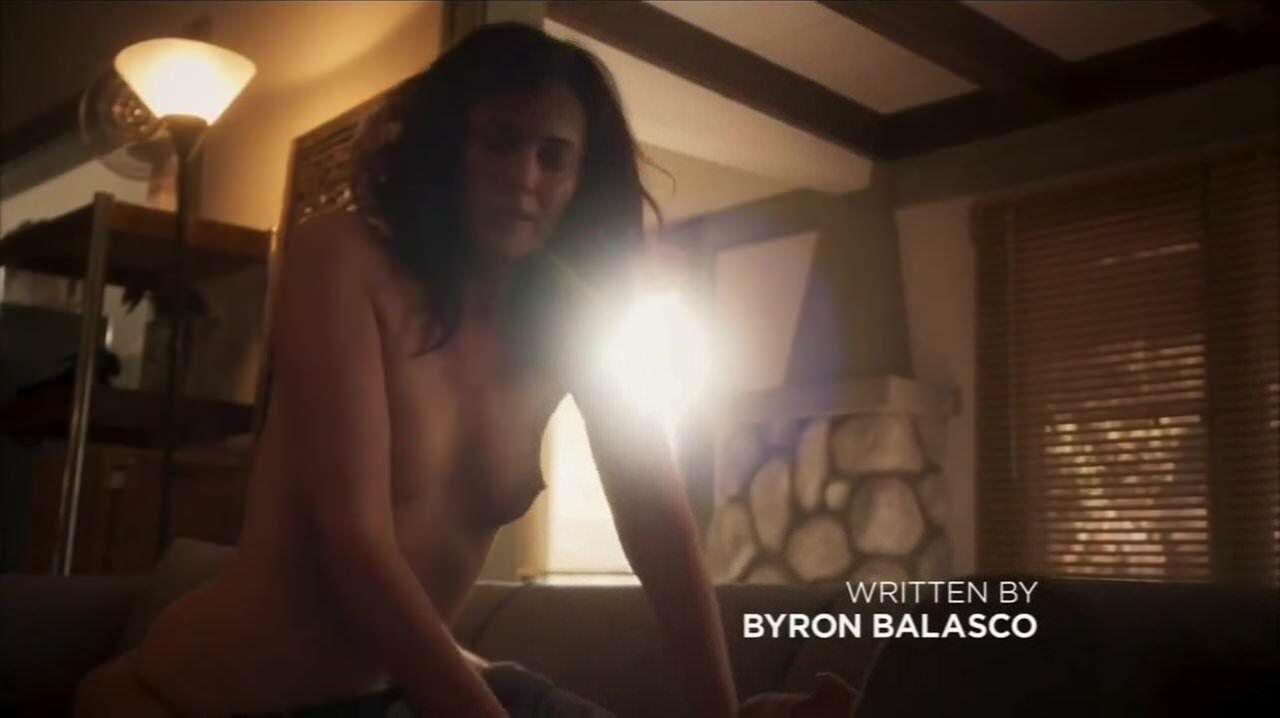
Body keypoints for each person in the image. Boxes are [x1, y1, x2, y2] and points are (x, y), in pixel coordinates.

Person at [74, 23, 738, 718]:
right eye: (499, 141)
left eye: (553, 157)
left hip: (415, 691)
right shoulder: (341, 257)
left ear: (581, 179)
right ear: (449, 144)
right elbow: (356, 542)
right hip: (224, 697)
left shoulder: (571, 323)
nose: (524, 178)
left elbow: (659, 524)